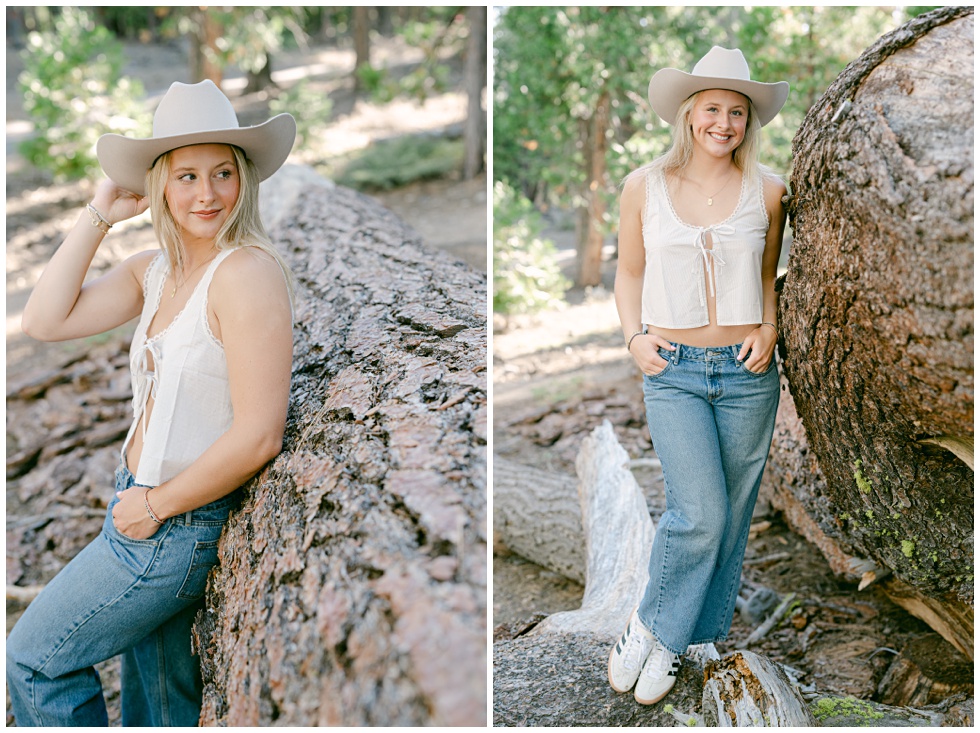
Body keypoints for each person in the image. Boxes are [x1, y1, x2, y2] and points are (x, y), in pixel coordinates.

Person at [7, 80, 297, 726]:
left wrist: (154, 505)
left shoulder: (245, 274)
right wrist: (99, 214)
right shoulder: (157, 269)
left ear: (243, 179)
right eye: (187, 175)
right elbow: (43, 320)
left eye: (223, 172)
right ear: (161, 182)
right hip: (140, 502)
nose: (207, 194)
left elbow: (259, 434)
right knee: (160, 710)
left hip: (173, 522)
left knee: (31, 659)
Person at [608, 47, 789, 705]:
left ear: (748, 121)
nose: (724, 121)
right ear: (688, 115)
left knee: (731, 514)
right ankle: (648, 623)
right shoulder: (643, 186)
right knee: (699, 510)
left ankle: (677, 641)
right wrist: (634, 337)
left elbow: (767, 274)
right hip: (674, 369)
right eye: (712, 108)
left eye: (736, 111)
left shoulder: (771, 190)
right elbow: (628, 273)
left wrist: (768, 326)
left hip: (747, 373)